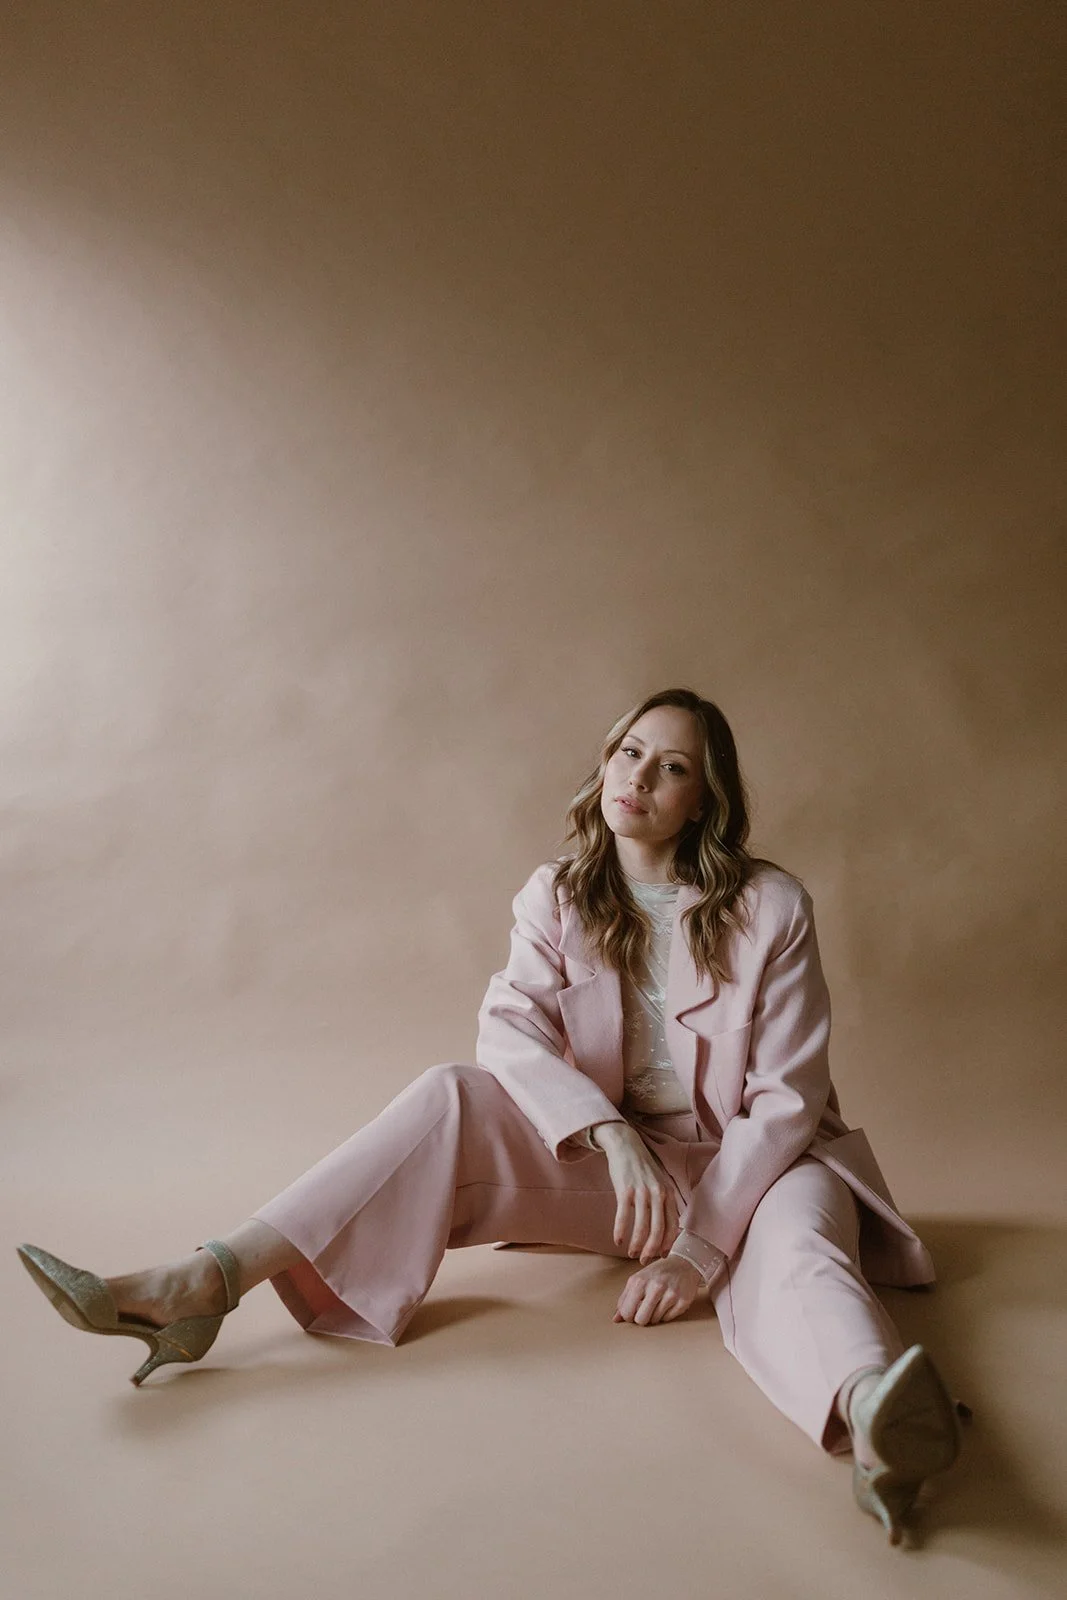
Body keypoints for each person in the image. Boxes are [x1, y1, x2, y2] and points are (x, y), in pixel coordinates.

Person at [17, 686, 963, 1545]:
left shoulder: (770, 906)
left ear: (703, 802)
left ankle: (878, 1416)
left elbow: (786, 1101)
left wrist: (699, 1248)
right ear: (604, 763)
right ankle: (205, 1283)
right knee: (448, 1091)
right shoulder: (556, 894)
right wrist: (605, 1133)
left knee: (796, 1247)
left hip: (764, 1170)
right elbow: (508, 1030)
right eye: (629, 751)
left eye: (672, 766)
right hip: (622, 1180)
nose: (639, 776)